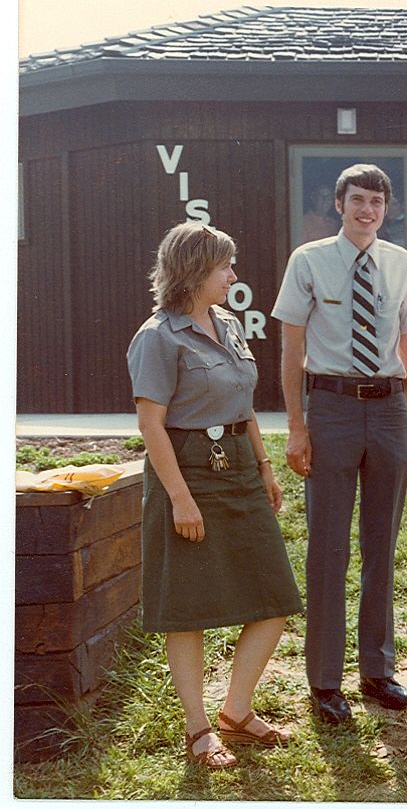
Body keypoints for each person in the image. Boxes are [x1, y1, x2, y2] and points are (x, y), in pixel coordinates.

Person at [126, 221, 302, 769]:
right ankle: (199, 729)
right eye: (225, 266)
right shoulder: (157, 336)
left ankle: (237, 712)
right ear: (195, 272)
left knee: (275, 598)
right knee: (187, 610)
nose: (233, 275)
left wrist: (267, 467)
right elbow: (151, 426)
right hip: (189, 473)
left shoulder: (228, 324)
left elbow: (245, 405)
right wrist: (179, 498)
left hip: (241, 470)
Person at [272, 164, 407, 725]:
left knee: (381, 545)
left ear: (388, 209)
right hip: (332, 408)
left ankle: (377, 670)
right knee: (328, 550)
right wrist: (296, 425)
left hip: (387, 409)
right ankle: (324, 680)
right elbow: (291, 351)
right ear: (339, 204)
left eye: (378, 202)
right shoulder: (308, 261)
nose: (368, 210)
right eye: (357, 200)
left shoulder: (403, 264)